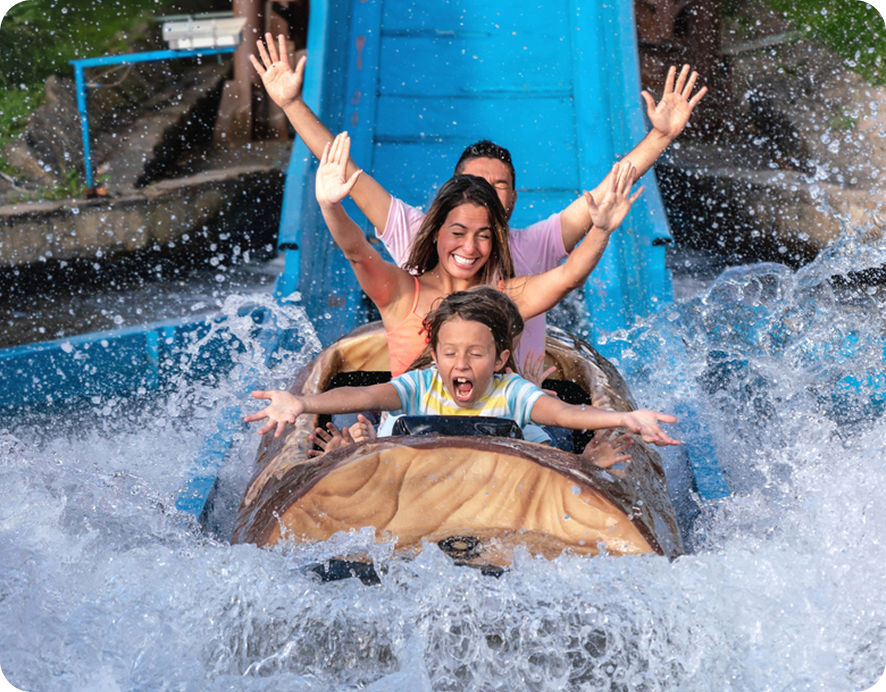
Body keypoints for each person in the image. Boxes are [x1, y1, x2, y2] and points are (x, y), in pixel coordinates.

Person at [250, 33, 708, 361]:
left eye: (499, 185)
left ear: (513, 200)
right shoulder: (412, 241)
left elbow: (599, 208)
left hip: (512, 414)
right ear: (451, 198)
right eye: (474, 184)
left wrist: (659, 138)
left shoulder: (532, 252)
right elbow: (343, 175)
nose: (485, 193)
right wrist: (291, 105)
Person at [315, 131, 642, 378]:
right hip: (413, 439)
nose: (469, 248)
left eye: (483, 236)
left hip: (491, 439)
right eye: (458, 233)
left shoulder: (506, 297)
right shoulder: (402, 292)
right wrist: (329, 206)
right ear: (436, 230)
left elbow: (569, 278)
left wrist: (601, 231)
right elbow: (356, 251)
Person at [244, 287, 680, 465]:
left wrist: (624, 419)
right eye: (450, 353)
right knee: (372, 446)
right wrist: (303, 403)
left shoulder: (513, 392)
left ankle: (582, 468)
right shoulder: (422, 385)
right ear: (435, 357)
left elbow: (565, 414)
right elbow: (362, 397)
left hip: (498, 491)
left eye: (476, 354)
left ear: (500, 359)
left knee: (551, 449)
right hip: (415, 486)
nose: (462, 364)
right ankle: (358, 455)